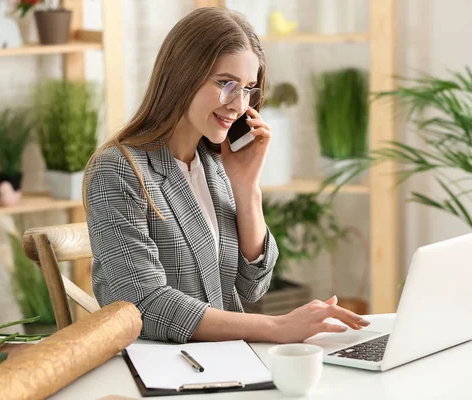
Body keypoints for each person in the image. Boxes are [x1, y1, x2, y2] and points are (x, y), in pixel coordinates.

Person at [83, 7, 370, 344]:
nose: (238, 104)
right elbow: (143, 304)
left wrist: (247, 188)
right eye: (225, 84)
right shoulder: (119, 169)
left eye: (248, 89)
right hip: (160, 369)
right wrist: (277, 327)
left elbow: (253, 284)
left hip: (225, 359)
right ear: (182, 75)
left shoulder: (214, 165)